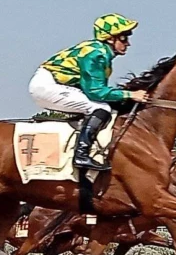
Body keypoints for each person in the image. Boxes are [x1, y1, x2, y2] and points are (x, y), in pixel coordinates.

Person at [29, 14, 149, 171]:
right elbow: (95, 92)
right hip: (47, 85)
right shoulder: (96, 54)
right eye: (124, 38)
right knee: (101, 108)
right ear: (110, 39)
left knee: (103, 106)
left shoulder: (99, 51)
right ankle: (81, 155)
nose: (128, 43)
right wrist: (130, 95)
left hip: (53, 84)